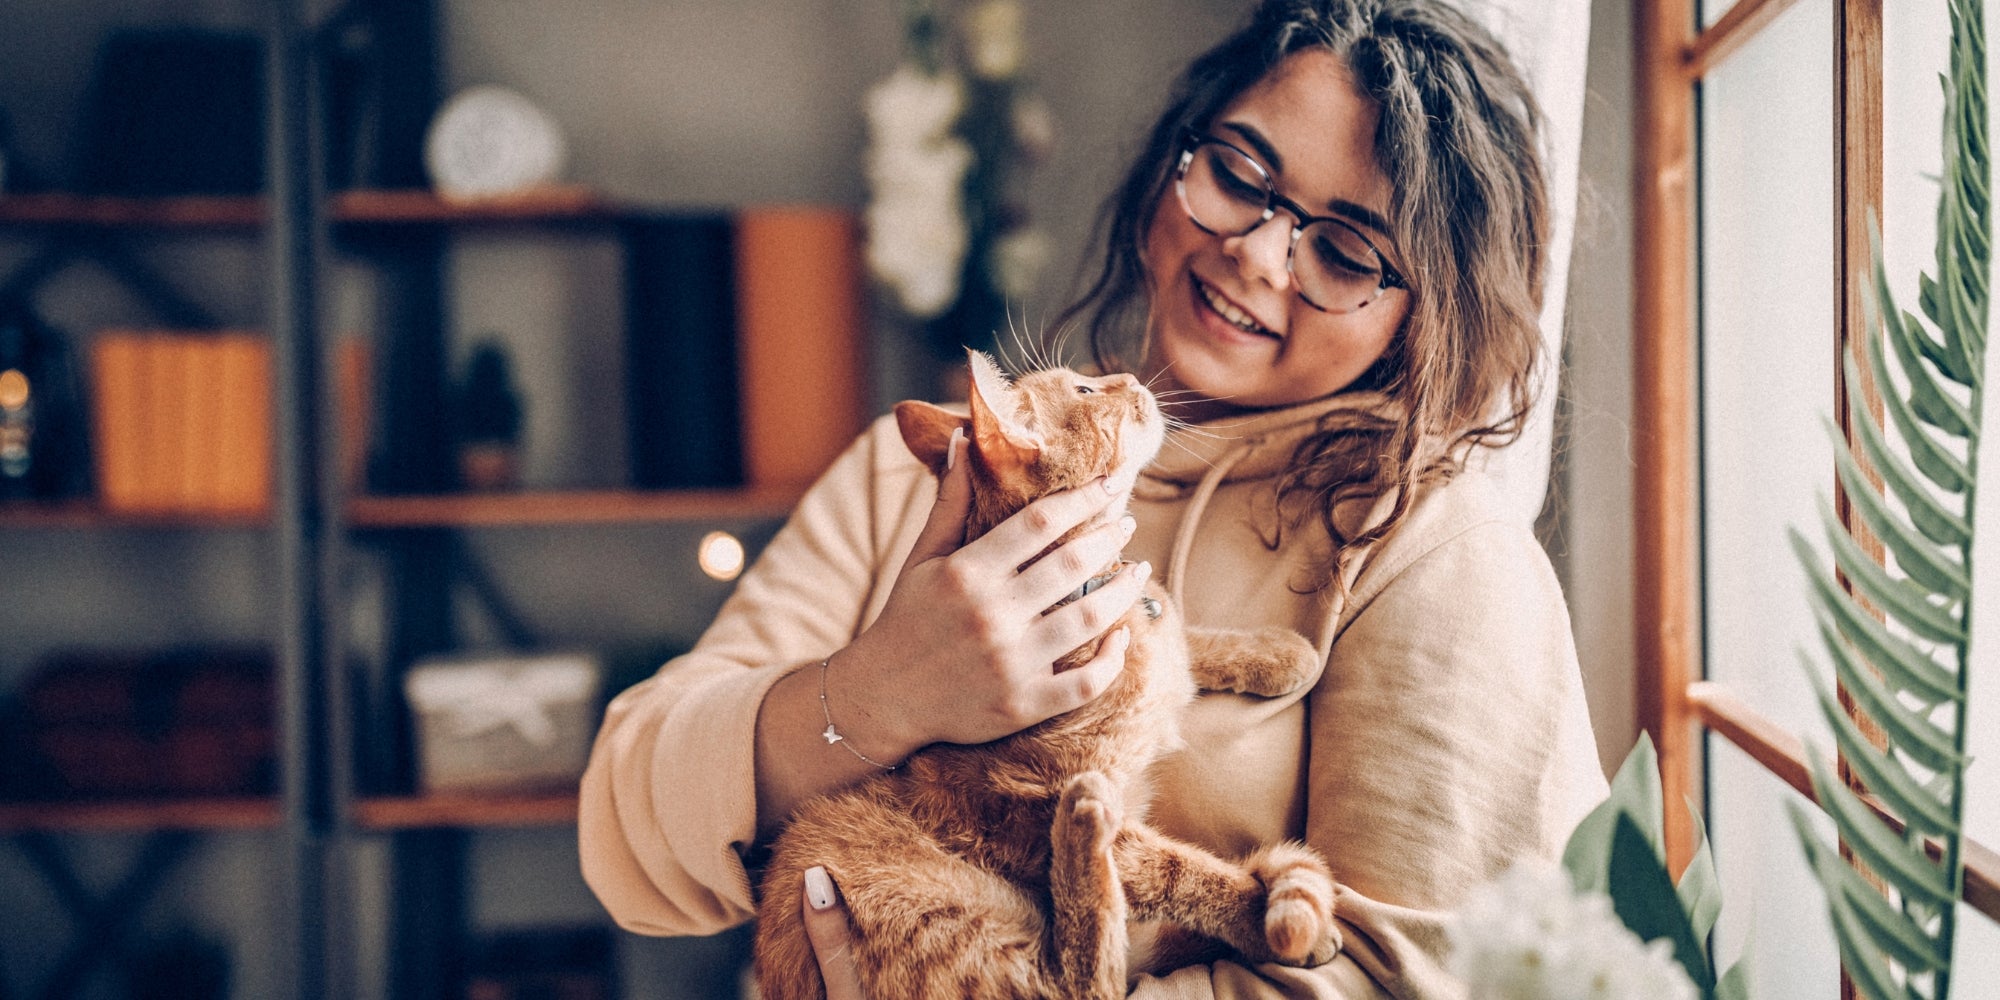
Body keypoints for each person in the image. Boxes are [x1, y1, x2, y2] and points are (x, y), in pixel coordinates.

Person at [579, 0, 1607, 996]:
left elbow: (1422, 978)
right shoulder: (935, 469)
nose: (1255, 252)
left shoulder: (1426, 547)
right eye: (1239, 175)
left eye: (1343, 252)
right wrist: (878, 692)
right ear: (1175, 160)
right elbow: (625, 835)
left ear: (1424, 318)